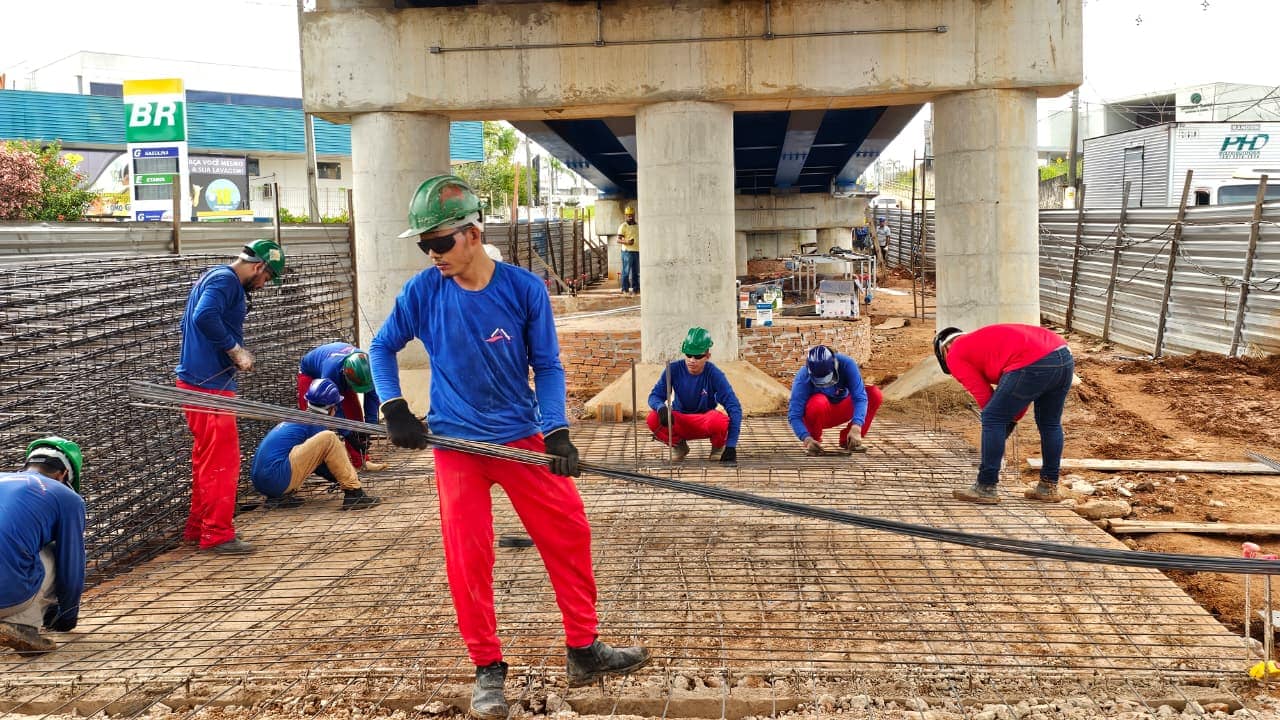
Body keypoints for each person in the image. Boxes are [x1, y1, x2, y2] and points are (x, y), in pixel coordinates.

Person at [369, 175, 649, 719]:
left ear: (473, 234)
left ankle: (584, 650)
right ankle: (487, 669)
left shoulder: (523, 290)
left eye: (441, 243)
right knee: (468, 555)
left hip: (519, 438)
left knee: (569, 532)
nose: (432, 254)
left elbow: (545, 365)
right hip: (455, 443)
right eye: (424, 244)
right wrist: (393, 407)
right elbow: (381, 348)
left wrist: (557, 429)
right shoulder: (423, 291)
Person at [176, 239, 285, 555]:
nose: (264, 285)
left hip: (202, 383)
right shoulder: (225, 280)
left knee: (206, 459)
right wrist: (234, 349)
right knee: (223, 461)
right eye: (266, 278)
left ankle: (199, 527)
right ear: (258, 266)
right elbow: (203, 316)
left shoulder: (216, 278)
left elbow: (191, 321)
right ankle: (217, 534)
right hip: (208, 389)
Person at [934, 324, 1075, 505]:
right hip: (1063, 356)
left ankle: (986, 487)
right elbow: (1015, 394)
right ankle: (1048, 486)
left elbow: (984, 396)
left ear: (944, 349)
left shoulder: (955, 354)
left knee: (992, 416)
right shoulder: (989, 344)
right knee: (1050, 423)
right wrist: (1010, 420)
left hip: (1033, 361)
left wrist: (1000, 424)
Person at [0, 437, 85, 654]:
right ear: (63, 474)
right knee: (55, 552)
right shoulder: (66, 496)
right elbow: (72, 566)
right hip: (8, 596)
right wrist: (66, 617)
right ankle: (22, 624)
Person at [251, 379, 382, 511]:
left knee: (322, 441)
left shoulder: (299, 418)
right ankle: (354, 493)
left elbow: (316, 463)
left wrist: (340, 475)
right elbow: (324, 465)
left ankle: (277, 498)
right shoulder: (314, 423)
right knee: (329, 438)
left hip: (264, 482)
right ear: (332, 408)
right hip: (277, 478)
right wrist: (348, 477)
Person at [646, 327, 743, 463]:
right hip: (679, 420)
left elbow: (734, 407)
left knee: (720, 421)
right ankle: (679, 446)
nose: (692, 360)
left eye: (698, 356)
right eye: (688, 355)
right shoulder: (673, 369)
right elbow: (654, 396)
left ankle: (718, 447)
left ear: (707, 356)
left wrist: (731, 446)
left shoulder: (714, 374)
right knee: (653, 418)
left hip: (704, 421)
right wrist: (661, 407)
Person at [297, 342, 385, 471]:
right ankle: (313, 467)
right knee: (313, 421)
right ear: (345, 373)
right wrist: (348, 434)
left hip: (342, 377)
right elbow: (335, 409)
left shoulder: (369, 370)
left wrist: (368, 429)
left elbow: (372, 398)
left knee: (354, 413)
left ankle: (361, 462)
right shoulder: (330, 370)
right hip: (310, 374)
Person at [788, 345, 883, 455]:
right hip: (818, 413)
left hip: (842, 407)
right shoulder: (803, 376)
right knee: (818, 402)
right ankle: (814, 442)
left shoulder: (847, 365)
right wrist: (806, 438)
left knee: (874, 394)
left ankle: (850, 440)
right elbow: (794, 415)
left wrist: (857, 426)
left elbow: (860, 398)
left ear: (835, 364)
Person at [616, 205, 639, 295]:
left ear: (634, 215)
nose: (630, 217)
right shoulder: (623, 226)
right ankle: (625, 289)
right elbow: (618, 239)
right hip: (627, 252)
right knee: (626, 271)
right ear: (626, 215)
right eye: (628, 215)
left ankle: (635, 289)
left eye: (631, 215)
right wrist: (627, 242)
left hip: (636, 251)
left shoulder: (637, 226)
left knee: (635, 272)